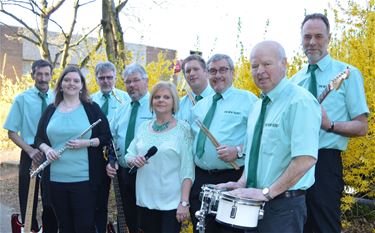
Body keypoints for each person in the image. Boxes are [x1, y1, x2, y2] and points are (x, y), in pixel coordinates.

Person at [218, 40, 321, 233]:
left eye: (267, 64)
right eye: (254, 66)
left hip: (283, 207)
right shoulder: (257, 106)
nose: (260, 71)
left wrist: (267, 193)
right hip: (251, 203)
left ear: (284, 63)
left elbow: (305, 159)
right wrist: (241, 183)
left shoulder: (301, 102)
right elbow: (255, 154)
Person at [291, 13, 369, 233]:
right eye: (307, 37)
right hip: (293, 163)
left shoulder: (347, 74)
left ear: (329, 38)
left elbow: (362, 127)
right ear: (301, 39)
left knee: (325, 226)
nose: (312, 42)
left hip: (324, 162)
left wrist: (331, 125)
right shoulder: (293, 82)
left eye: (318, 36)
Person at [34, 66, 111, 233]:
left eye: (76, 80)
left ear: (82, 85)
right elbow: (38, 139)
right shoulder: (51, 109)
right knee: (64, 226)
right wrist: (47, 150)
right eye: (67, 80)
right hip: (55, 181)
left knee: (84, 226)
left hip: (85, 181)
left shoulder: (92, 108)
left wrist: (87, 143)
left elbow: (106, 136)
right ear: (60, 84)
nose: (71, 83)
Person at [189, 54, 258, 233]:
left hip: (231, 178)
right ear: (207, 74)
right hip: (201, 179)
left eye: (223, 70)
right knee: (202, 229)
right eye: (212, 71)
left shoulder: (248, 100)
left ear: (232, 73)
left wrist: (239, 151)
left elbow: (261, 137)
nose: (217, 75)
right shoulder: (199, 106)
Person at [121, 81, 194, 233]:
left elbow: (187, 169)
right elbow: (129, 154)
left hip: (171, 204)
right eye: (157, 97)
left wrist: (184, 202)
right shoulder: (143, 127)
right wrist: (134, 160)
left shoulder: (183, 130)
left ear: (174, 102)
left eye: (166, 97)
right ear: (151, 101)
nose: (161, 100)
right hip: (145, 201)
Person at [3, 59, 57, 232]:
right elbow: (11, 131)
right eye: (39, 74)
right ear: (32, 75)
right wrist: (30, 151)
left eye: (46, 74)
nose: (43, 78)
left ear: (51, 75)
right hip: (30, 152)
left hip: (52, 154)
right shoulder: (22, 99)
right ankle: (30, 229)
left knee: (51, 201)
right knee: (28, 200)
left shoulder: (59, 98)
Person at [106, 63, 153, 233]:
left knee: (146, 219)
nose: (131, 85)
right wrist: (111, 160)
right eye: (127, 82)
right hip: (124, 173)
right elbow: (110, 139)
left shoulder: (156, 107)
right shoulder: (121, 110)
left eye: (135, 80)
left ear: (146, 81)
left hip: (148, 172)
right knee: (129, 217)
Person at [91, 61, 130, 233]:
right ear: (96, 79)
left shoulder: (125, 99)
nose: (106, 81)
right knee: (98, 201)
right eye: (102, 78)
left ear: (115, 78)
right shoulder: (89, 100)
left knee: (124, 199)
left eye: (109, 77)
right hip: (95, 155)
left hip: (119, 156)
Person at [175, 54, 214, 122]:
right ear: (184, 76)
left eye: (196, 69)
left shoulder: (219, 98)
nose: (192, 73)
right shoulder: (180, 104)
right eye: (188, 71)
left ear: (206, 72)